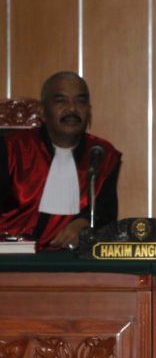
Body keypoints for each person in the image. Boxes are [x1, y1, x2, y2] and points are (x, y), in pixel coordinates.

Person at [0, 71, 122, 250]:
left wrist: (86, 223)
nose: (72, 109)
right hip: (10, 259)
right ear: (42, 112)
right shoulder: (10, 149)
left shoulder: (102, 155)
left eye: (80, 102)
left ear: (89, 111)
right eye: (61, 101)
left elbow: (106, 216)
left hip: (70, 264)